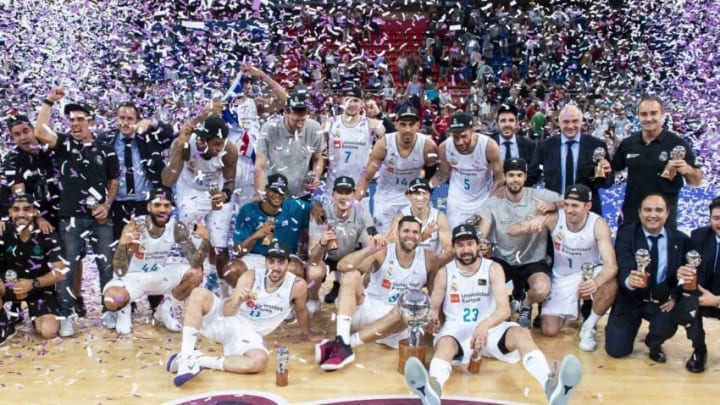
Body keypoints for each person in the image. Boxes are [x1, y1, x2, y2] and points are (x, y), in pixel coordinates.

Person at [403, 224, 582, 405]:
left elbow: (504, 309)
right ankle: (433, 389)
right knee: (444, 344)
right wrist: (432, 320)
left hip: (491, 330)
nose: (466, 250)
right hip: (457, 331)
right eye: (460, 245)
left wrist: (484, 325)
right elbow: (434, 307)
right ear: (454, 247)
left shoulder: (493, 268)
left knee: (522, 333)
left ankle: (550, 386)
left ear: (477, 245)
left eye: (469, 244)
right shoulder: (444, 273)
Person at [166, 242, 320, 386]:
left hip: (249, 333)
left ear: (288, 264)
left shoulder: (297, 286)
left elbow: (301, 310)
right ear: (265, 262)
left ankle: (199, 360)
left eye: (280, 262)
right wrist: (238, 301)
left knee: (259, 361)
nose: (275, 267)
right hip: (228, 319)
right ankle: (186, 357)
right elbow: (227, 311)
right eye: (271, 261)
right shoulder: (251, 276)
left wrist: (307, 333)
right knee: (198, 293)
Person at [34, 86, 120, 337]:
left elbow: (113, 181)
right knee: (67, 267)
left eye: (80, 119)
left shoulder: (106, 148)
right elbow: (40, 131)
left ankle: (109, 311)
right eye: (71, 119)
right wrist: (49, 100)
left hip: (100, 218)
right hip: (70, 216)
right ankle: (67, 315)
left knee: (107, 267)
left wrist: (107, 205)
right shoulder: (62, 144)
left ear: (90, 122)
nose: (75, 123)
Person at [315, 216, 438, 371]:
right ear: (398, 233)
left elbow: (434, 295)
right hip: (366, 309)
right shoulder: (382, 251)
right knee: (351, 274)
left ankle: (344, 345)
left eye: (415, 232)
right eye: (406, 230)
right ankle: (341, 338)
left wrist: (433, 319)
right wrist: (371, 248)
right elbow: (342, 265)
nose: (410, 235)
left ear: (421, 236)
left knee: (407, 308)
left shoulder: (429, 258)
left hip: (393, 323)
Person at [506, 184, 618, 351]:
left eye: (575, 206)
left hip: (590, 272)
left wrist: (596, 281)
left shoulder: (598, 224)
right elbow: (511, 230)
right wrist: (529, 225)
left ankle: (589, 326)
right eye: (566, 204)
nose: (569, 210)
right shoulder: (555, 218)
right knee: (549, 330)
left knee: (610, 284)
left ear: (587, 206)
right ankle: (571, 309)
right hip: (562, 276)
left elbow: (611, 266)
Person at [103, 187, 206, 334]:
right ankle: (123, 313)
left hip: (158, 275)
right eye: (157, 205)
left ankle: (164, 311)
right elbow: (120, 270)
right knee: (112, 298)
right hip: (131, 279)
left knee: (196, 274)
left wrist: (205, 241)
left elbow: (195, 263)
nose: (162, 209)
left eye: (166, 205)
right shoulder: (135, 226)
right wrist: (123, 244)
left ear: (172, 208)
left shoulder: (177, 227)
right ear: (149, 206)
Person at [605, 193, 692, 363]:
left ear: (667, 213)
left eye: (659, 210)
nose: (653, 215)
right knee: (616, 351)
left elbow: (685, 273)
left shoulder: (680, 239)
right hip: (630, 299)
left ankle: (654, 343)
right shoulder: (626, 234)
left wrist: (675, 296)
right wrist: (629, 281)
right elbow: (623, 266)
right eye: (647, 210)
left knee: (667, 322)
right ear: (639, 212)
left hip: (660, 301)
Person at [476, 158, 562, 328]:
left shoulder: (539, 196)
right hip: (503, 259)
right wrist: (481, 241)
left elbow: (569, 202)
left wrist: (553, 205)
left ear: (525, 177)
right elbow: (483, 227)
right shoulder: (493, 202)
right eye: (511, 175)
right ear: (505, 178)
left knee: (542, 289)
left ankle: (525, 305)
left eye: (519, 175)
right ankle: (505, 305)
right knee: (482, 284)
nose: (515, 179)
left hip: (533, 260)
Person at [161, 113, 238, 295]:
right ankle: (198, 285)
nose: (220, 148)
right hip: (189, 191)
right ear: (203, 140)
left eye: (222, 143)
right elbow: (167, 180)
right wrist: (180, 145)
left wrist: (225, 195)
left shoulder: (230, 150)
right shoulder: (188, 145)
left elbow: (230, 181)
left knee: (220, 244)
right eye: (216, 144)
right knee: (196, 243)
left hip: (215, 190)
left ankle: (223, 289)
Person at [226, 174, 318, 310]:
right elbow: (237, 252)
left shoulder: (295, 207)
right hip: (255, 256)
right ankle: (245, 303)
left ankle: (285, 308)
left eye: (282, 192)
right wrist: (255, 236)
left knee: (295, 269)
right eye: (274, 191)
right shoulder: (248, 210)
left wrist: (319, 207)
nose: (278, 195)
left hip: (284, 256)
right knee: (232, 269)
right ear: (266, 190)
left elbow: (319, 207)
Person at [611, 95, 703, 227]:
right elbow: (613, 170)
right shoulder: (628, 144)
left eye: (653, 113)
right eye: (644, 114)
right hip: (632, 217)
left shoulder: (677, 144)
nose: (648, 119)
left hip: (664, 219)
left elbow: (696, 180)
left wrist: (688, 170)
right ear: (638, 116)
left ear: (662, 114)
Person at [98, 102, 175, 242]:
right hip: (118, 202)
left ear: (137, 121)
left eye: (130, 119)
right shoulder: (106, 140)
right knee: (122, 245)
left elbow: (172, 136)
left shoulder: (149, 137)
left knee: (147, 244)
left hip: (145, 201)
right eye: (122, 118)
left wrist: (152, 123)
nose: (125, 123)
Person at [355, 106, 438, 233]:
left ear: (418, 125)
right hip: (385, 196)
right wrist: (354, 202)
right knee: (385, 241)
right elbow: (367, 177)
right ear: (397, 125)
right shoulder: (384, 144)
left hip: (411, 196)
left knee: (412, 239)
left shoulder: (428, 146)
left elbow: (431, 176)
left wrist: (424, 196)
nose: (407, 129)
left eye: (411, 125)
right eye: (403, 124)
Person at [307, 176, 384, 305]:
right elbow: (313, 257)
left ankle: (360, 294)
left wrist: (375, 240)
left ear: (353, 195)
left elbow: (371, 231)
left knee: (374, 258)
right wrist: (322, 242)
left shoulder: (360, 209)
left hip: (350, 258)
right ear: (333, 194)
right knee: (313, 271)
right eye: (340, 192)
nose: (343, 197)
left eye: (347, 193)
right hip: (327, 257)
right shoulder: (320, 212)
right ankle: (314, 300)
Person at [0, 194, 66, 342]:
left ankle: (37, 314)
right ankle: (5, 321)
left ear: (35, 212)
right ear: (10, 212)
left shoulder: (48, 233)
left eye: (27, 209)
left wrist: (33, 284)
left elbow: (60, 272)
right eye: (16, 209)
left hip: (39, 288)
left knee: (48, 332)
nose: (21, 214)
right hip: (9, 286)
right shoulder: (3, 231)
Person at [528, 104, 613, 216]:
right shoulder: (545, 146)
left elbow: (607, 183)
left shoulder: (596, 145)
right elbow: (531, 177)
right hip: (554, 211)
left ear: (582, 121)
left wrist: (607, 173)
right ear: (559, 122)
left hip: (586, 212)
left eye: (575, 121)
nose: (570, 126)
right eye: (566, 122)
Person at [429, 112, 504, 228]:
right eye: (456, 137)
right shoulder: (444, 147)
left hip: (483, 200)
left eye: (464, 136)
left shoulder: (489, 146)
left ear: (472, 130)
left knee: (482, 243)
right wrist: (427, 186)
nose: (460, 142)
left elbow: (500, 178)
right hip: (456, 202)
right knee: (456, 240)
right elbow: (443, 174)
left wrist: (488, 206)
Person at [254, 87, 325, 200]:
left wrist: (316, 175)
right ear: (286, 112)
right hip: (273, 191)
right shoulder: (270, 128)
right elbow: (260, 165)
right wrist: (260, 193)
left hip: (301, 193)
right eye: (295, 120)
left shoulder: (314, 128)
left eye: (303, 120)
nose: (300, 125)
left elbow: (318, 158)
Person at [324, 84, 385, 202]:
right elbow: (319, 153)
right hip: (334, 190)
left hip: (360, 190)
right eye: (347, 100)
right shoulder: (330, 123)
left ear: (362, 103)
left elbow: (392, 136)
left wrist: (378, 113)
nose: (351, 104)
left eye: (355, 100)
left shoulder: (371, 124)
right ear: (341, 101)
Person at [681, 196, 720, 373]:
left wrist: (717, 300)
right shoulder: (698, 236)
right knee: (686, 301)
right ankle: (699, 349)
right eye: (716, 218)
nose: (719, 223)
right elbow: (686, 269)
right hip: (700, 295)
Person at [388, 178, 451, 257]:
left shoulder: (439, 217)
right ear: (409, 196)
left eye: (424, 193)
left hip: (433, 264)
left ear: (429, 195)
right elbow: (393, 245)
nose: (420, 197)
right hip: (408, 263)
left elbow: (449, 248)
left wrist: (436, 265)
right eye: (417, 193)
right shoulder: (400, 217)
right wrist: (421, 237)